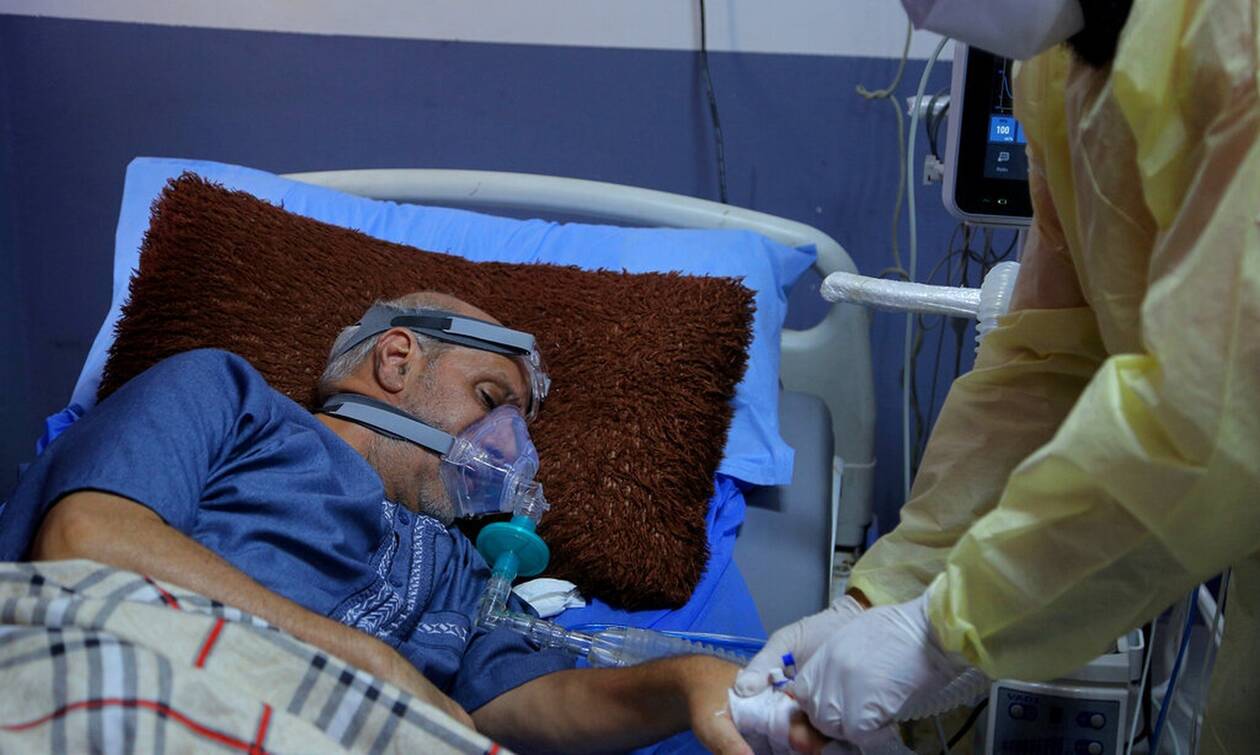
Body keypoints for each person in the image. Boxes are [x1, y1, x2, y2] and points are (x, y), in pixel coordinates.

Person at [737, 0, 1260, 752]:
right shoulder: (1055, 72)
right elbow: (1051, 359)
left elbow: (1221, 409)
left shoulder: (1233, 30)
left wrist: (944, 628)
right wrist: (888, 594)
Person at [0, 291, 754, 755]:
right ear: (397, 359)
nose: (508, 448)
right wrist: (372, 663)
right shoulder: (229, 397)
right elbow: (86, 540)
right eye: (492, 400)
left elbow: (533, 707)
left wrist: (686, 683)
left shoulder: (463, 568)